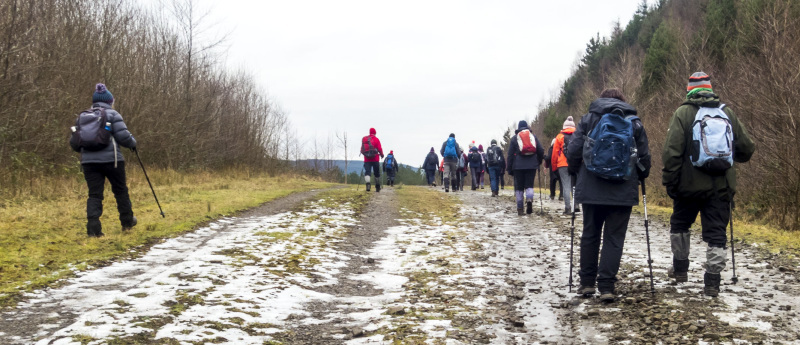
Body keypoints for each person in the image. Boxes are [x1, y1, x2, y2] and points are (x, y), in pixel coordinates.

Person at [662, 72, 755, 297]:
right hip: (721, 187)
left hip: (688, 186)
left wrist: (670, 182)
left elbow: (671, 152)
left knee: (680, 225)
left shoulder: (683, 113)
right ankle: (712, 282)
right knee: (716, 233)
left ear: (689, 90)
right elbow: (747, 148)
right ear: (711, 89)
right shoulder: (726, 113)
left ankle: (681, 270)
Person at [566, 88, 651, 302]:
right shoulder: (634, 122)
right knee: (614, 238)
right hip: (622, 190)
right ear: (622, 101)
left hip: (592, 188)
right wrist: (641, 175)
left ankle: (586, 283)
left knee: (590, 234)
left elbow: (574, 151)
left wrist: (574, 171)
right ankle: (606, 287)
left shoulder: (589, 119)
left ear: (601, 99)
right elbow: (644, 159)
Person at [70, 83, 138, 237]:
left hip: (89, 163)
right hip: (112, 161)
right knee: (120, 191)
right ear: (110, 101)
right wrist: (133, 143)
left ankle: (94, 230)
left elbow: (74, 143)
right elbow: (124, 138)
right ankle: (127, 223)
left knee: (94, 194)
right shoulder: (113, 115)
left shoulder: (82, 117)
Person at [506, 120, 544, 215]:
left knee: (519, 187)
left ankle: (520, 208)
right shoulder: (533, 137)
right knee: (529, 185)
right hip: (531, 165)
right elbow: (541, 150)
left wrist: (509, 168)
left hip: (518, 166)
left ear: (518, 128)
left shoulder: (515, 138)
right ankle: (529, 199)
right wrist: (538, 162)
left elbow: (510, 155)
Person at [552, 116, 578, 214]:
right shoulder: (577, 135)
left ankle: (567, 208)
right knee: (575, 185)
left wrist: (554, 166)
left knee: (566, 185)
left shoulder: (559, 137)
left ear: (564, 127)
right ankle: (576, 205)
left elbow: (555, 153)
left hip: (563, 164)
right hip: (575, 163)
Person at [361, 128, 385, 192]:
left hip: (367, 159)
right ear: (375, 132)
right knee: (376, 173)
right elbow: (379, 148)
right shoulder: (376, 139)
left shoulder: (365, 139)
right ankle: (377, 186)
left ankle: (368, 185)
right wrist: (382, 154)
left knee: (367, 172)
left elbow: (362, 149)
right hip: (375, 158)